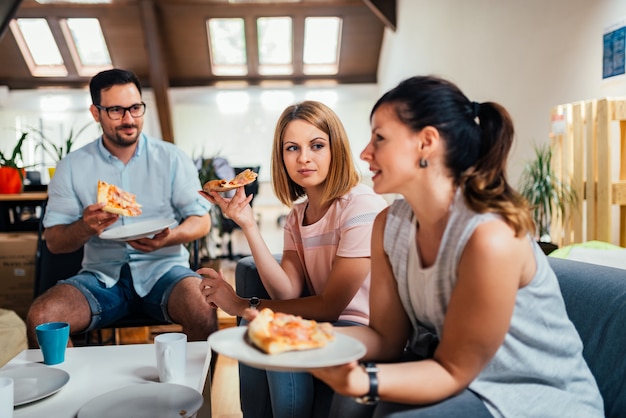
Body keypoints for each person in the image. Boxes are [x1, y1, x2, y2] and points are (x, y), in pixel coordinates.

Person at [309, 76, 604, 418]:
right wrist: (307, 338)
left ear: (426, 142)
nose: (365, 152)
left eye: (380, 137)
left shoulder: (490, 236)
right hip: (461, 380)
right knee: (350, 404)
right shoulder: (388, 225)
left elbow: (452, 370)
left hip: (531, 396)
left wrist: (365, 381)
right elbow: (386, 338)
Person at [198, 100, 388, 418]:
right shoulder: (297, 216)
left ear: (336, 148)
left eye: (316, 145)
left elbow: (330, 306)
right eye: (291, 148)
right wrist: (247, 224)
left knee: (269, 331)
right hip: (320, 323)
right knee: (257, 328)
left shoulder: (361, 207)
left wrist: (242, 304)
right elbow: (286, 292)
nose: (303, 158)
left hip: (361, 327)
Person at [26, 68, 218, 347]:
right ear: (96, 113)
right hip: (101, 277)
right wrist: (84, 227)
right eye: (116, 110)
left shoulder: (172, 158)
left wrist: (169, 237)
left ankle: (199, 392)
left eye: (135, 108)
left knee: (203, 306)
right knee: (42, 317)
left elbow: (202, 221)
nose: (129, 119)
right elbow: (54, 242)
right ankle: (71, 391)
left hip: (165, 271)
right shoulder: (71, 167)